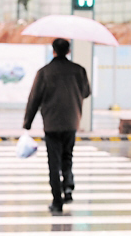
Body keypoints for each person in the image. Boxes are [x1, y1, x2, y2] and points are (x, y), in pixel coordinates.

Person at [23, 38, 91, 213]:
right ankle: (68, 185)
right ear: (68, 51)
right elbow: (86, 92)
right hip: (71, 122)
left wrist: (27, 122)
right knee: (67, 156)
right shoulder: (79, 71)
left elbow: (34, 99)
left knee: (54, 163)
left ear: (53, 51)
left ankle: (57, 202)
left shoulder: (44, 72)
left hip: (52, 124)